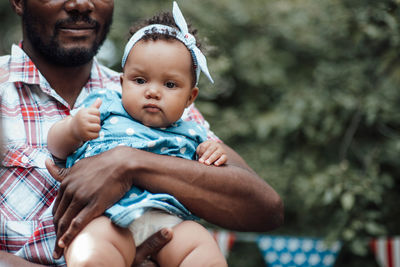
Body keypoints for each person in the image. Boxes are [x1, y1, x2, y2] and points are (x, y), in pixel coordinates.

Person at [0, 0, 284, 266]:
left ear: (189, 96)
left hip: (164, 225)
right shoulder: (122, 97)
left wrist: (129, 163)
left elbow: (264, 207)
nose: (82, 3)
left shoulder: (163, 101)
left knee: (201, 247)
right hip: (102, 235)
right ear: (18, 2)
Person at [47, 3, 228, 266]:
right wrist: (73, 129)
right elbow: (56, 146)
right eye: (140, 80)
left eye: (169, 84)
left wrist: (214, 152)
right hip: (107, 217)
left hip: (168, 221)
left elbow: (213, 171)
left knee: (202, 246)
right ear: (122, 83)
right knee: (92, 252)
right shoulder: (105, 105)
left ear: (190, 98)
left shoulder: (193, 130)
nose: (153, 92)